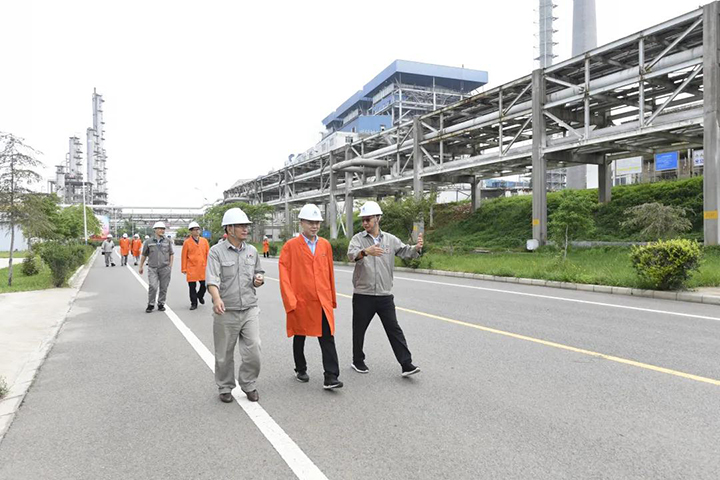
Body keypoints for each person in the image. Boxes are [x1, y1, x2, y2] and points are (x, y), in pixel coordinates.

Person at [347, 201, 423, 377]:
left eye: (368, 219)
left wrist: (417, 249)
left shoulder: (389, 239)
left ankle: (406, 364)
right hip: (363, 294)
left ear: (378, 218)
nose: (365, 223)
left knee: (394, 329)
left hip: (384, 295)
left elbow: (405, 251)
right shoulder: (358, 239)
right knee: (359, 330)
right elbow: (351, 255)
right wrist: (366, 252)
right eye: (363, 220)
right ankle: (357, 360)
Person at [279, 204, 342, 390]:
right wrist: (290, 300)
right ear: (301, 223)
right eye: (310, 222)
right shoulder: (290, 246)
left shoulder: (325, 245)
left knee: (327, 336)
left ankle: (331, 376)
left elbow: (329, 272)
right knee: (300, 335)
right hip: (301, 300)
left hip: (322, 300)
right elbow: (284, 275)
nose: (314, 226)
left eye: (317, 223)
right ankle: (300, 368)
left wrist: (331, 298)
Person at [206, 208, 265, 403]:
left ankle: (248, 384)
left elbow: (258, 272)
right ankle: (225, 386)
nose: (245, 229)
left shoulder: (252, 251)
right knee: (224, 353)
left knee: (254, 348)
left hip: (249, 308)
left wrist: (258, 279)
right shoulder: (216, 252)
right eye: (240, 226)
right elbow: (212, 279)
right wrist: (216, 298)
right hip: (226, 310)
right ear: (229, 229)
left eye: (246, 225)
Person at [139, 222, 174, 313]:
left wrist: (170, 265)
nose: (162, 230)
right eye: (160, 229)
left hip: (165, 268)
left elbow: (171, 254)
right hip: (152, 268)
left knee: (164, 287)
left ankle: (161, 304)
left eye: (163, 229)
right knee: (153, 286)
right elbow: (144, 255)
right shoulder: (148, 242)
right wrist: (141, 266)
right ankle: (151, 304)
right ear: (155, 230)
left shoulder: (167, 241)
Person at [181, 221, 210, 310]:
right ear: (191, 231)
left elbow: (208, 254)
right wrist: (184, 268)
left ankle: (200, 295)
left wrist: (210, 265)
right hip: (192, 267)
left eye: (198, 229)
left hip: (203, 267)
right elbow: (184, 256)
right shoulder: (187, 242)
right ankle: (194, 303)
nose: (197, 231)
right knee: (192, 287)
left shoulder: (204, 241)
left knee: (204, 285)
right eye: (195, 230)